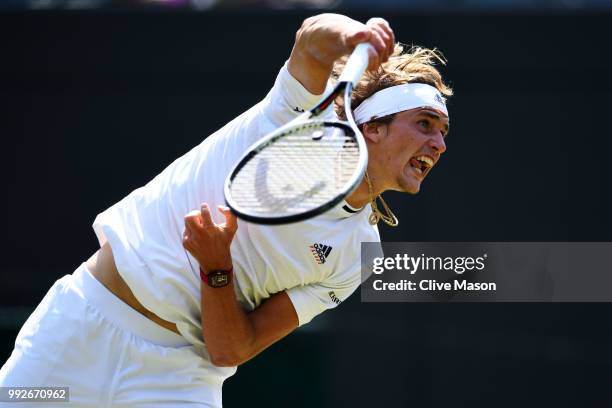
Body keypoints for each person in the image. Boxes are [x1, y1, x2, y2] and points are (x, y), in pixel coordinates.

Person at [0, 13, 451, 407]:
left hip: (178, 380)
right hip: (80, 330)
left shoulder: (354, 256)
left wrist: (216, 268)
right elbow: (312, 38)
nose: (439, 143)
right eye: (425, 124)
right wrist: (356, 35)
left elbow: (231, 349)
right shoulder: (294, 117)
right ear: (373, 127)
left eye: (443, 132)